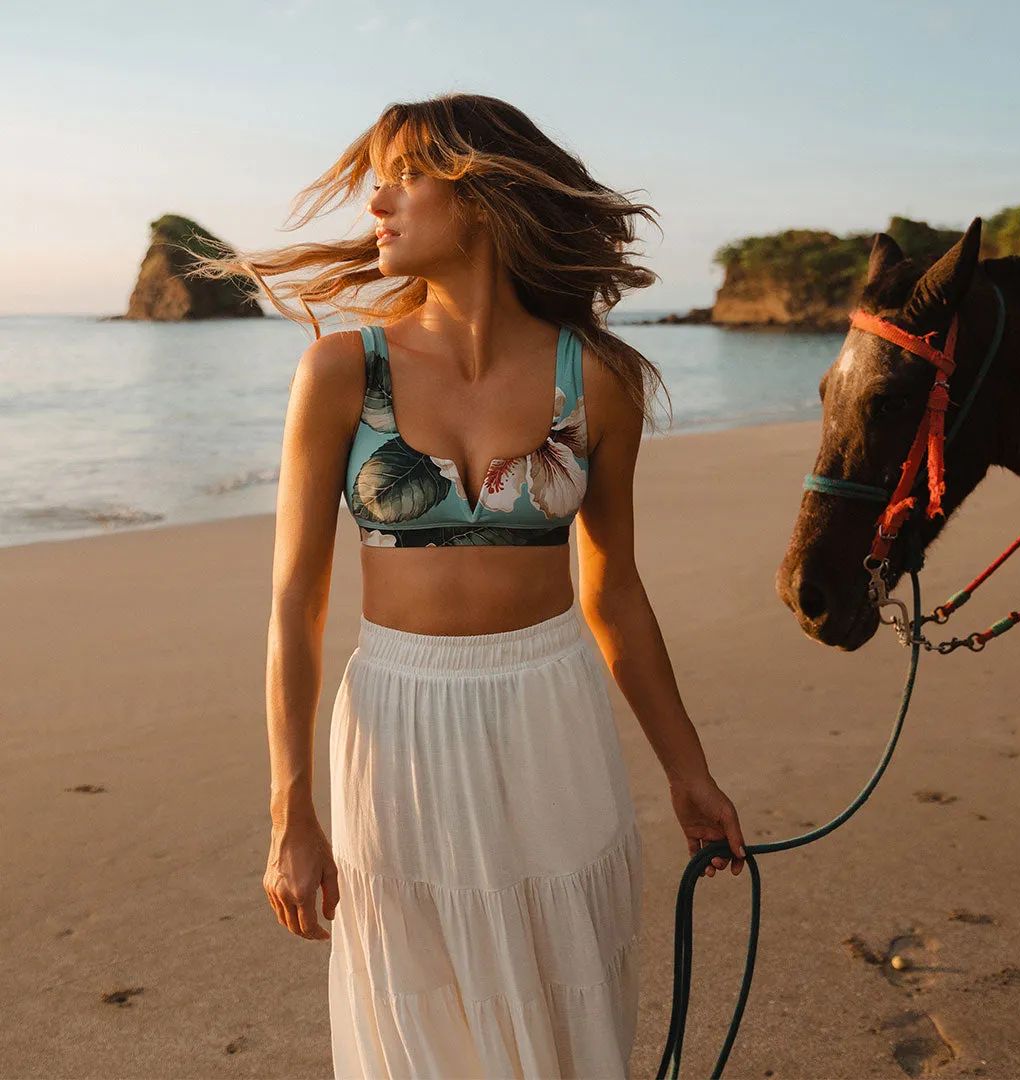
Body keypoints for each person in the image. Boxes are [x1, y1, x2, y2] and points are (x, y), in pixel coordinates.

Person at [196, 93, 746, 1079]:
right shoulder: (337, 372)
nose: (376, 201)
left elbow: (615, 592)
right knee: (421, 1015)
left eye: (405, 175)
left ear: (481, 195)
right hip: (397, 723)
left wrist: (688, 768)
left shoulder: (596, 380)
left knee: (564, 999)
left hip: (550, 713)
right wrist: (291, 811)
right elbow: (295, 605)